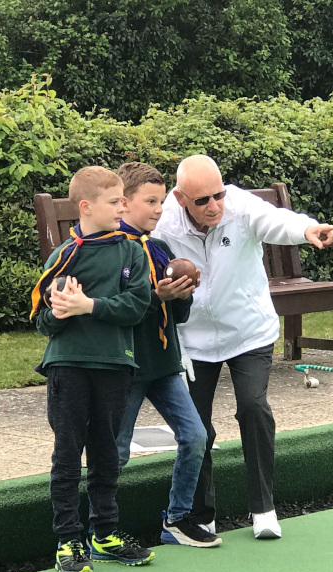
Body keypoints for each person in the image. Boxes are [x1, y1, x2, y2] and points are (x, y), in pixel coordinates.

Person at [153, 154, 333, 540]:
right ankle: (201, 514)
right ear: (181, 198)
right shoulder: (164, 222)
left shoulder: (239, 205)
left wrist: (307, 229)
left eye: (218, 195)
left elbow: (276, 221)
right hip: (193, 339)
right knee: (196, 426)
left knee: (253, 407)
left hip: (249, 331)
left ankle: (264, 508)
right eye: (202, 200)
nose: (214, 206)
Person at [30, 166, 154, 572]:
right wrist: (61, 310)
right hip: (68, 367)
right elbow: (43, 323)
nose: (123, 207)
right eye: (115, 201)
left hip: (115, 366)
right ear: (86, 206)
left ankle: (105, 533)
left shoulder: (132, 252)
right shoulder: (63, 256)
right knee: (67, 454)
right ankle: (68, 540)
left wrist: (89, 306)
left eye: (123, 200)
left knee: (106, 453)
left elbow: (136, 306)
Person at [112, 162, 221, 548]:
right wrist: (154, 296)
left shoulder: (159, 250)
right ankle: (98, 529)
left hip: (163, 364)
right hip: (126, 367)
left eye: (161, 201)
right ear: (124, 203)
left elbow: (178, 316)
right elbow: (114, 310)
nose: (159, 210)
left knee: (195, 436)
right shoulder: (111, 252)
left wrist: (182, 295)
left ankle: (176, 519)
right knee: (116, 451)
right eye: (150, 202)